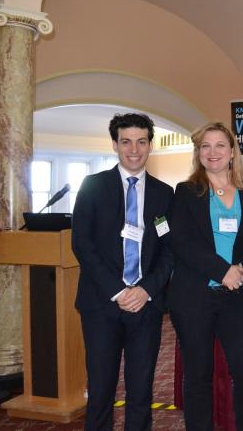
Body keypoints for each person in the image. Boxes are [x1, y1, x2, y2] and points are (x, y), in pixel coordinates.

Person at [72, 113, 173, 430]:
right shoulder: (92, 186)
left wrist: (144, 291)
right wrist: (119, 290)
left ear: (150, 146)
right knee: (101, 388)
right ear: (115, 144)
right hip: (101, 303)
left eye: (141, 141)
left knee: (141, 389)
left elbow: (169, 250)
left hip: (147, 305)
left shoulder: (164, 193)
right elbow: (82, 245)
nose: (134, 149)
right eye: (126, 141)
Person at [167, 122, 243, 431]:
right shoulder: (186, 192)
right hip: (194, 296)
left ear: (232, 151)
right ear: (198, 153)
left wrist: (241, 271)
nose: (213, 152)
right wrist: (223, 271)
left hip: (235, 297)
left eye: (220, 145)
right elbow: (181, 242)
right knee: (198, 375)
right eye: (205, 146)